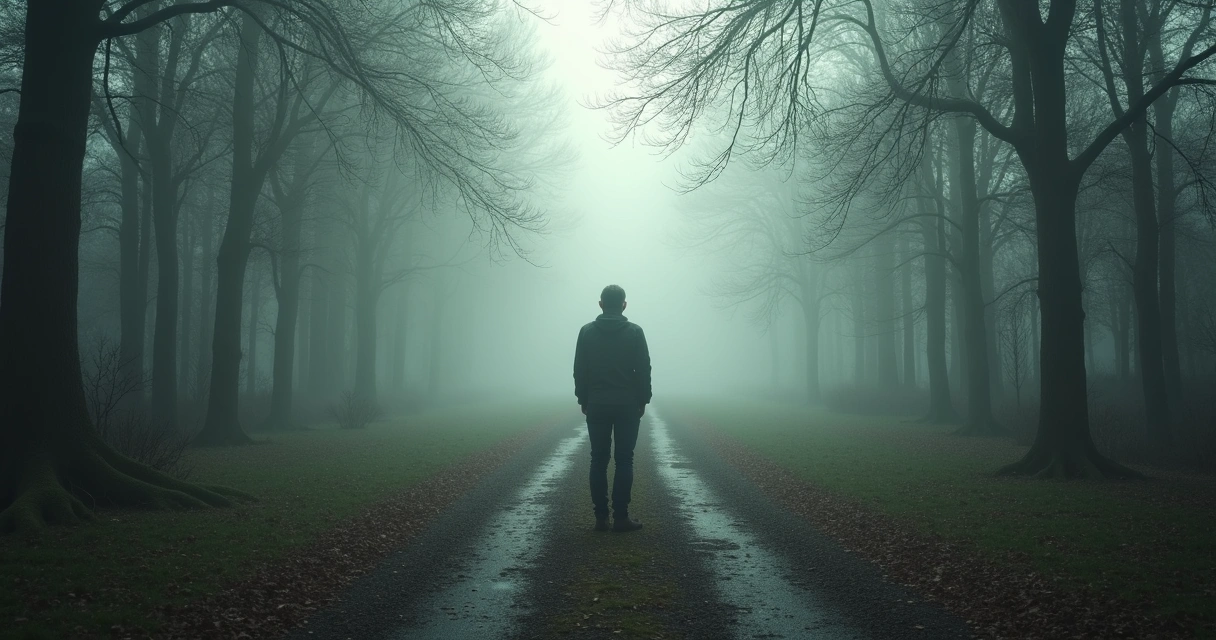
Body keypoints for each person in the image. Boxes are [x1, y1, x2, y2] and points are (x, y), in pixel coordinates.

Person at [574, 284, 652, 533]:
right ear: (624, 305)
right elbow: (643, 369)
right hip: (627, 404)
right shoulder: (635, 332)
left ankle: (600, 519)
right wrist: (643, 399)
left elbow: (580, 370)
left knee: (598, 460)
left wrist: (583, 399)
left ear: (601, 304)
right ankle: (621, 518)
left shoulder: (586, 332)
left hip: (596, 403)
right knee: (624, 460)